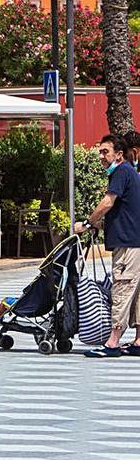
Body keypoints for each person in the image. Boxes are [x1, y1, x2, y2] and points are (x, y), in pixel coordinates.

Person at [75, 134, 140, 358]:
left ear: (118, 154)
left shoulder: (121, 171)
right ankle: (139, 340)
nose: (101, 156)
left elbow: (108, 202)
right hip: (135, 241)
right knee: (137, 291)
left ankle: (112, 343)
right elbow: (124, 211)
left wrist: (87, 222)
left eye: (105, 151)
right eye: (100, 151)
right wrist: (101, 225)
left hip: (127, 244)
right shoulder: (130, 172)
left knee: (122, 288)